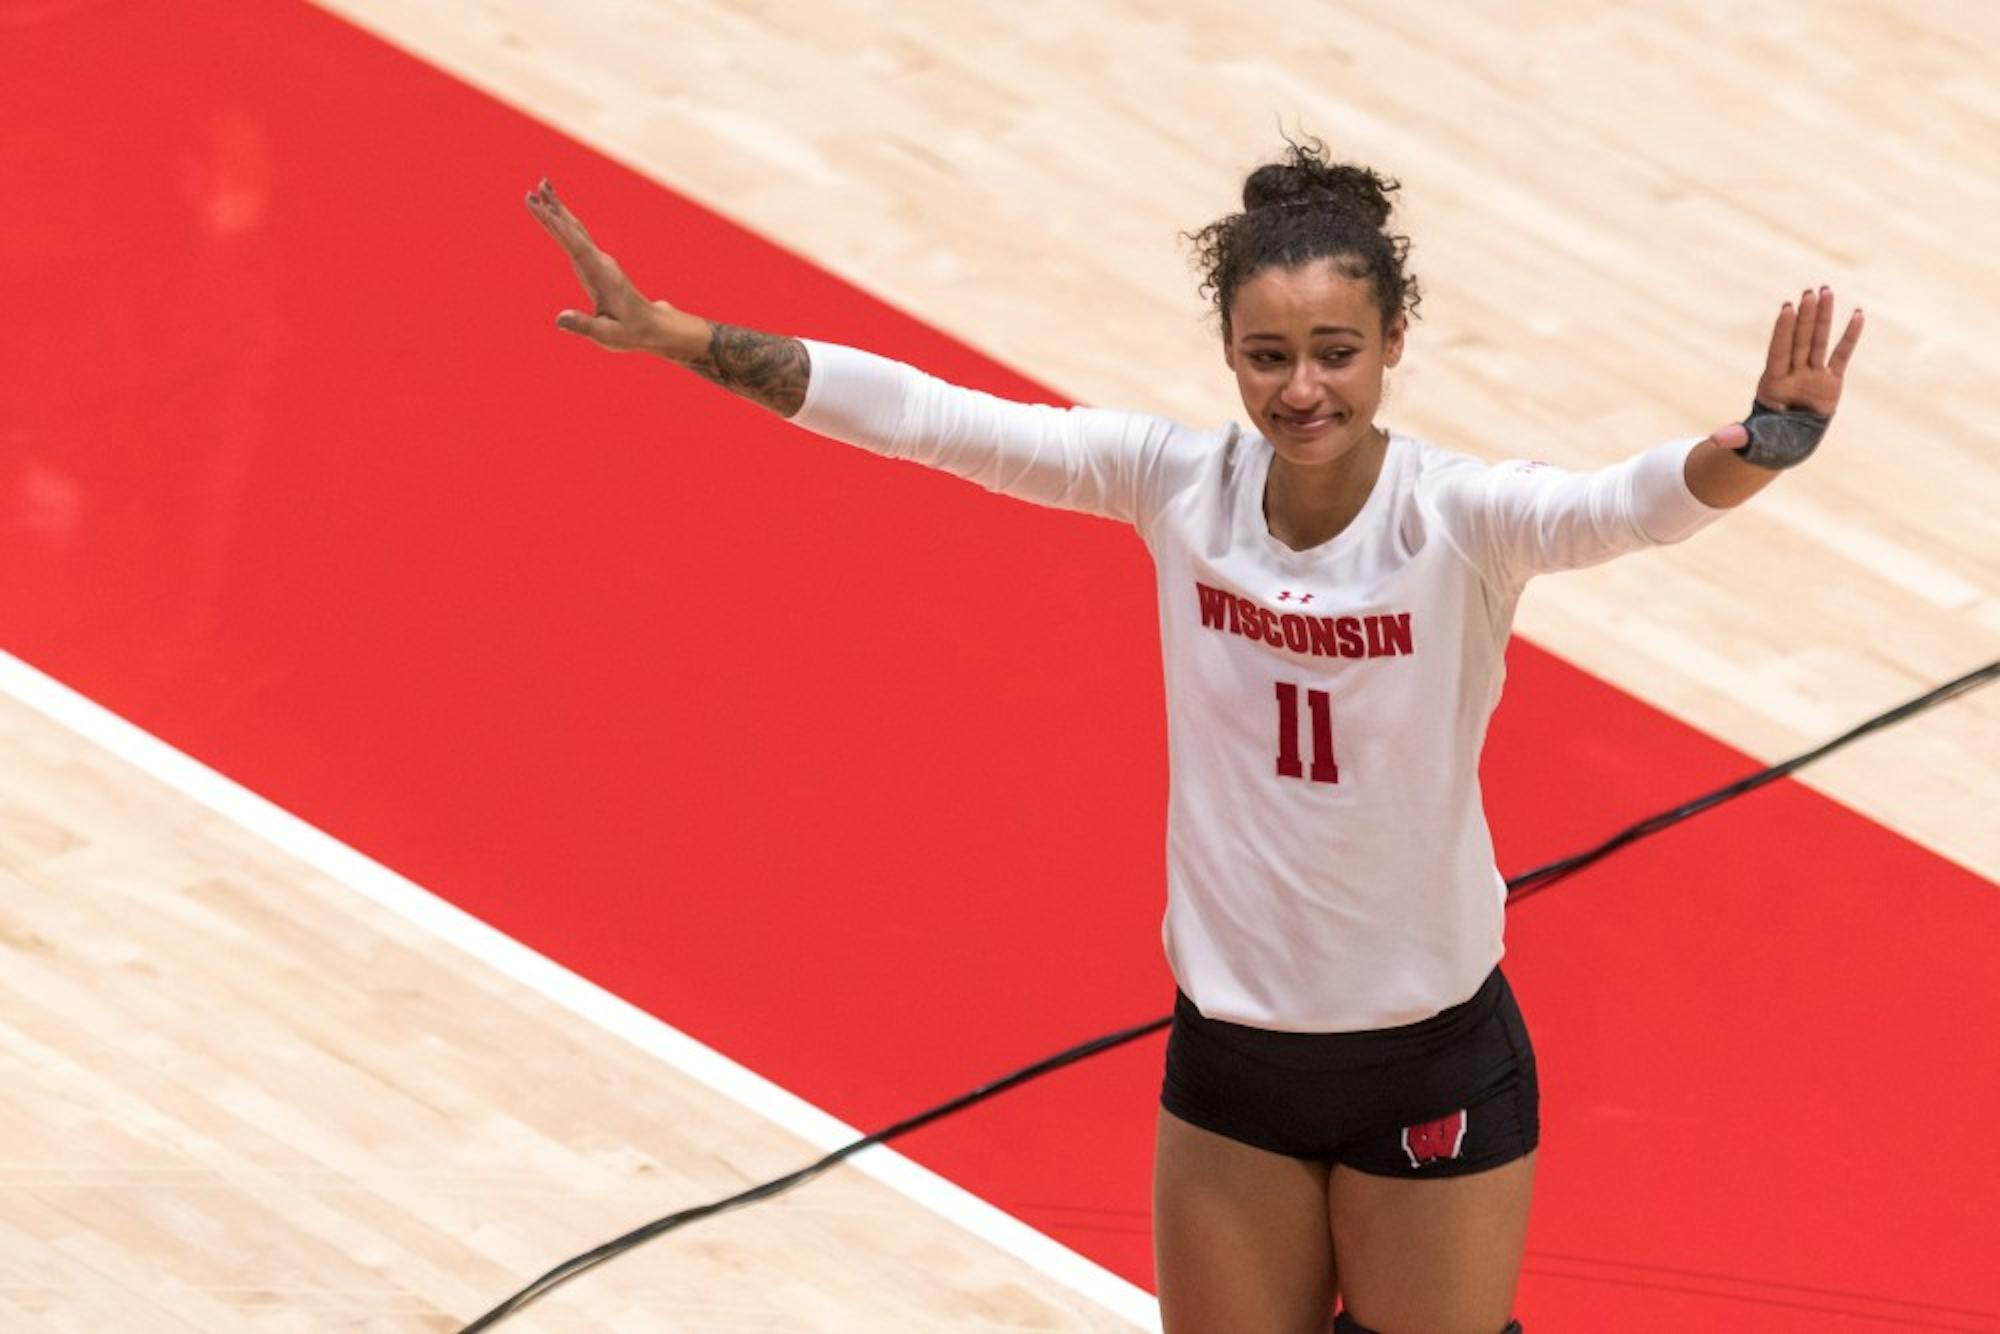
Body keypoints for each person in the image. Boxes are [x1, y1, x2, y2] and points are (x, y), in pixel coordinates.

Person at [525, 138, 1862, 1334]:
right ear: (1229, 351)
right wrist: (688, 337)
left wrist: (1758, 446)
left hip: (1430, 1051)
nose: (1301, 388)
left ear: (1395, 343)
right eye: (1267, 355)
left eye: (1335, 350)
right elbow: (937, 420)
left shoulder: (1459, 519)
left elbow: (1628, 504)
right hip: (1232, 1064)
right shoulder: (1176, 486)